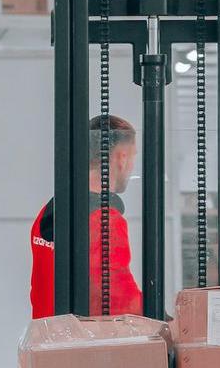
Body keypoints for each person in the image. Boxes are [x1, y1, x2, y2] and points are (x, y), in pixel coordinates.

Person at [29, 114, 142, 318]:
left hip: (49, 342)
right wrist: (167, 319)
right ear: (121, 158)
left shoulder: (48, 214)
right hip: (80, 345)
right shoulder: (104, 220)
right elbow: (119, 299)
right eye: (133, 156)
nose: (132, 166)